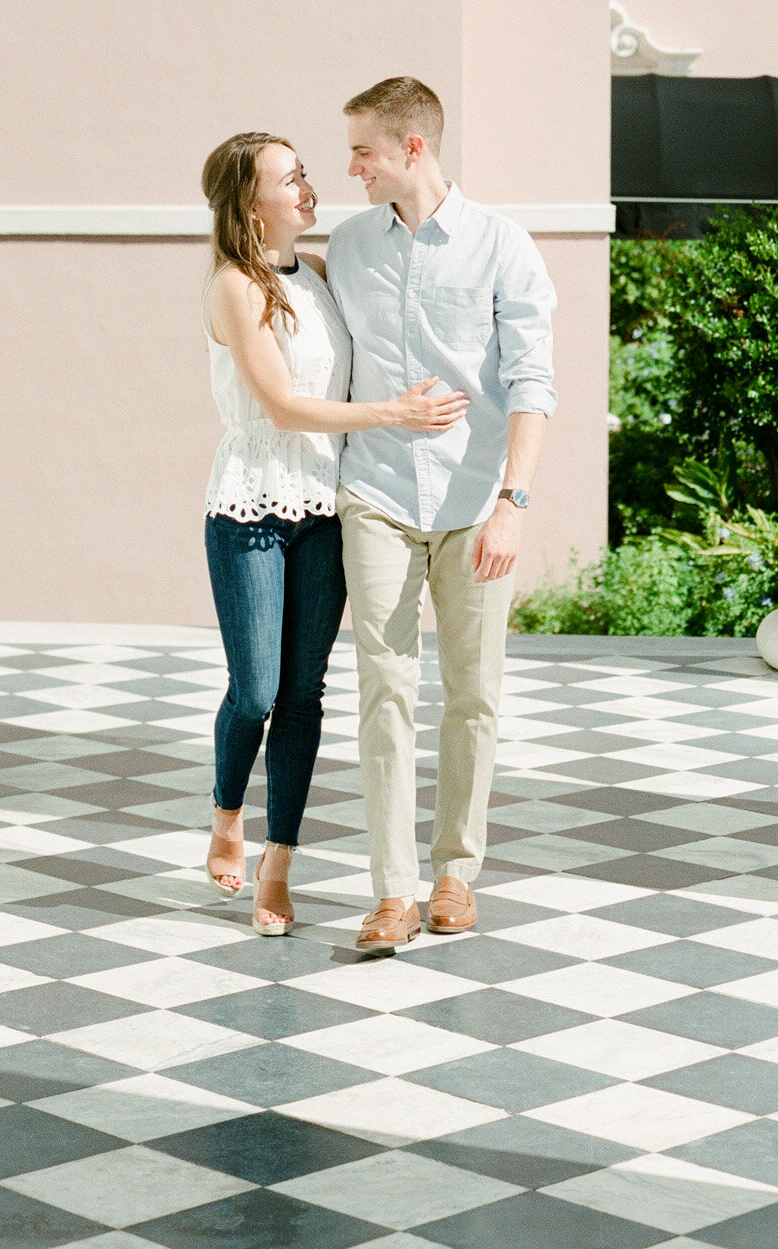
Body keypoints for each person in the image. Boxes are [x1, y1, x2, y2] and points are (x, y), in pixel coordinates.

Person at [200, 131, 468, 935]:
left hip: (324, 505)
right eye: (291, 179)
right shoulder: (235, 288)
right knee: (254, 691)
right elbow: (282, 407)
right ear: (253, 203)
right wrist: (397, 413)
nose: (309, 188)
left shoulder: (315, 278)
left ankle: (277, 866)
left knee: (303, 695)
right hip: (250, 502)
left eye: (306, 175)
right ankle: (225, 815)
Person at [327, 78, 557, 949]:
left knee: (473, 695)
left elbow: (533, 383)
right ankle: (392, 891)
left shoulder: (503, 246)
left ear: (411, 148)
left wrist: (513, 504)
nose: (350, 167)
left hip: (473, 503)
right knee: (383, 690)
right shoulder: (347, 248)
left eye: (363, 151)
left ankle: (456, 872)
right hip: (377, 494)